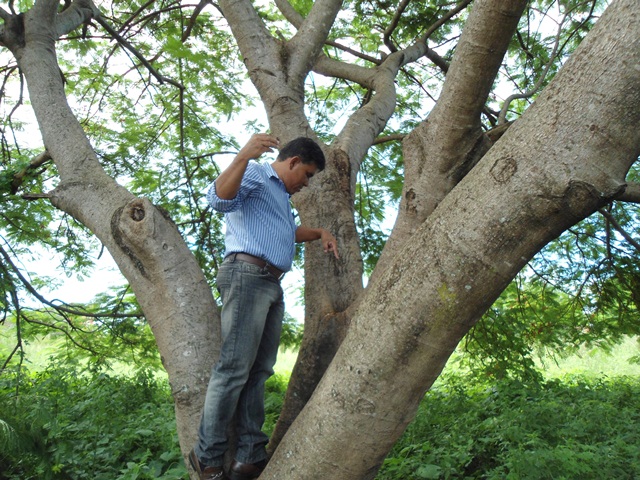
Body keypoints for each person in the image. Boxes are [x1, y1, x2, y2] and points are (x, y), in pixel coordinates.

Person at [189, 133, 339, 480]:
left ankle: (249, 455)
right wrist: (243, 154)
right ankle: (208, 457)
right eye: (308, 175)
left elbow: (285, 233)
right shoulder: (257, 173)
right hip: (247, 275)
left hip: (269, 283)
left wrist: (319, 233)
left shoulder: (280, 197)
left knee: (259, 372)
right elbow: (218, 200)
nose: (307, 184)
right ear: (293, 162)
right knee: (233, 369)